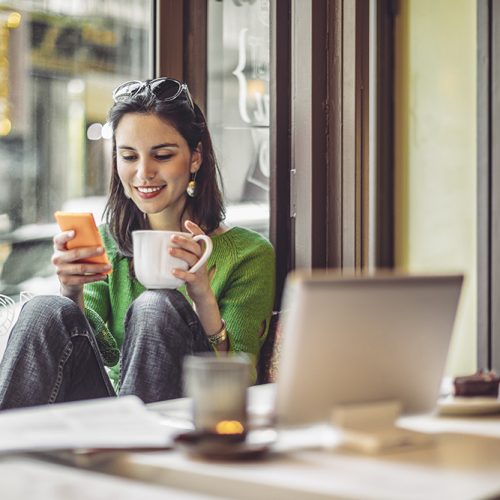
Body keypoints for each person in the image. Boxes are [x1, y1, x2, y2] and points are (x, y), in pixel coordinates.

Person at [0, 77, 275, 409]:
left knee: (156, 305)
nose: (144, 173)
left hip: (184, 415)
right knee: (45, 309)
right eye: (129, 157)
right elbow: (105, 354)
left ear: (195, 157)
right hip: (110, 413)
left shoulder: (249, 254)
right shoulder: (106, 242)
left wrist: (202, 295)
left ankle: (137, 452)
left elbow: (239, 381)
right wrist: (72, 292)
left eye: (162, 155)